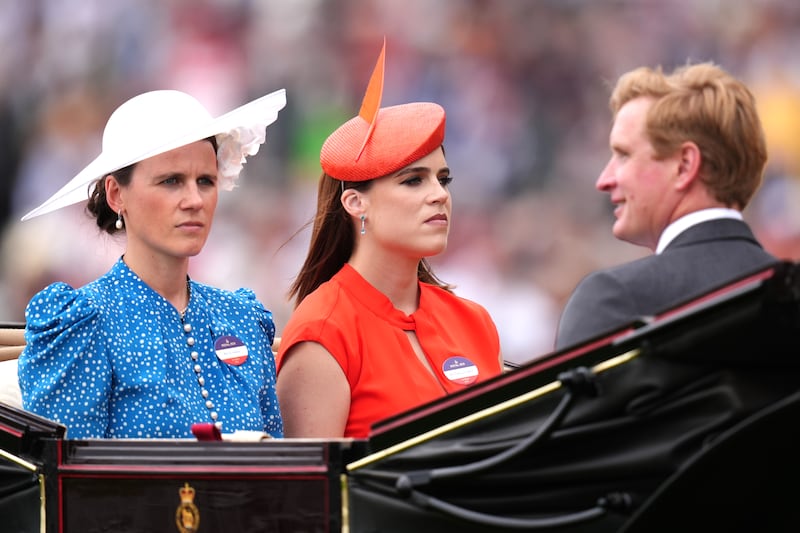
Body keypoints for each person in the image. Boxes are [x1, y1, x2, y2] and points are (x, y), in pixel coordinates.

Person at [17, 87, 287, 439]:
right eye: (171, 181)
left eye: (205, 181)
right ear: (116, 194)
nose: (194, 200)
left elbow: (282, 466)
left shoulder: (242, 318)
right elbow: (70, 479)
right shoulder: (85, 324)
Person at [275, 42, 503, 439]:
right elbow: (311, 495)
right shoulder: (323, 332)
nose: (439, 194)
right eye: (414, 180)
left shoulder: (474, 321)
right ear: (355, 202)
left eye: (443, 179)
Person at [555, 62, 778, 350]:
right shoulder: (788, 295)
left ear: (685, 165)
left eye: (623, 155)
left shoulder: (616, 300)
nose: (604, 180)